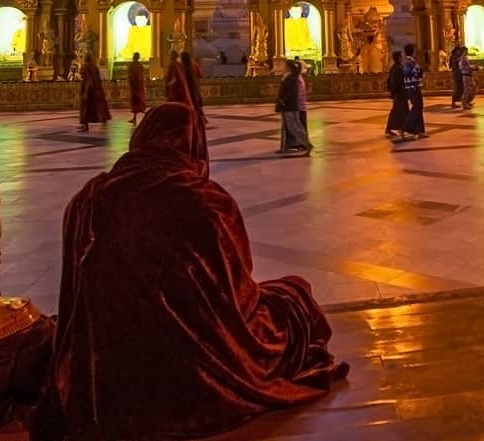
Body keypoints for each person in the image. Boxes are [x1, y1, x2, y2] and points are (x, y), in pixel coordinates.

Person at [46, 103, 347, 440]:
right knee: (294, 295)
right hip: (191, 367)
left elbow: (72, 306)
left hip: (105, 373)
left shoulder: (86, 200)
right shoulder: (204, 201)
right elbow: (238, 296)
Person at [276, 60, 311, 155]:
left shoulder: (292, 78)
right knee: (290, 127)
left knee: (294, 127)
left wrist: (283, 101)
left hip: (292, 106)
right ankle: (287, 146)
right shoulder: (290, 77)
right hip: (293, 106)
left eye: (284, 66)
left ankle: (305, 144)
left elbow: (292, 93)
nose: (282, 68)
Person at [398, 43, 426, 141]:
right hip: (412, 87)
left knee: (419, 107)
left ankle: (419, 130)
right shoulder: (408, 63)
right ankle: (404, 128)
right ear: (413, 51)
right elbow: (412, 74)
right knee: (416, 108)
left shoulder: (412, 62)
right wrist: (419, 73)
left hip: (415, 87)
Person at [79, 55, 110, 133]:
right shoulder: (95, 67)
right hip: (96, 90)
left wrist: (85, 92)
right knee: (98, 106)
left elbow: (88, 80)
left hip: (90, 91)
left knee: (86, 108)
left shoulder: (86, 68)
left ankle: (85, 126)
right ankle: (103, 120)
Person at [383, 51, 408, 140]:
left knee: (399, 111)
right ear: (398, 58)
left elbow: (390, 81)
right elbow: (395, 82)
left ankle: (397, 128)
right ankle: (398, 129)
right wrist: (393, 93)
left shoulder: (394, 67)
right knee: (399, 111)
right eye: (401, 56)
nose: (403, 57)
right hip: (400, 94)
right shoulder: (398, 68)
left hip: (400, 93)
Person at [180, 49, 206, 121]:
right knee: (195, 106)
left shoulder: (183, 67)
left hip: (189, 90)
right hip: (194, 88)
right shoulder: (194, 64)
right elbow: (201, 74)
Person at [126, 52, 147, 126]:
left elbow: (131, 76)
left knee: (137, 103)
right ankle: (135, 118)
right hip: (139, 86)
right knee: (138, 102)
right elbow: (142, 76)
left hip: (135, 87)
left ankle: (139, 117)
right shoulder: (139, 65)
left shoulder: (132, 65)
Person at [448, 43, 467, 109]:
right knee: (457, 88)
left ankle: (460, 101)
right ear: (457, 50)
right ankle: (454, 102)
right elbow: (458, 62)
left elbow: (450, 66)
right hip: (457, 74)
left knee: (459, 88)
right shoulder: (455, 56)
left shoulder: (453, 56)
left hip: (456, 73)